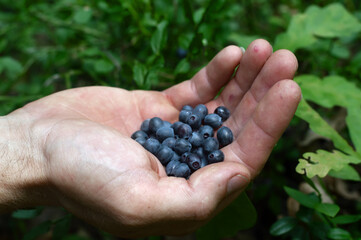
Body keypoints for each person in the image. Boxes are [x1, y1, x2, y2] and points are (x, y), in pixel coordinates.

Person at [0, 39, 301, 238]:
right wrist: (33, 144)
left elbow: (193, 144)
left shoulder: (196, 136)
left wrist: (30, 144)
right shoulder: (175, 138)